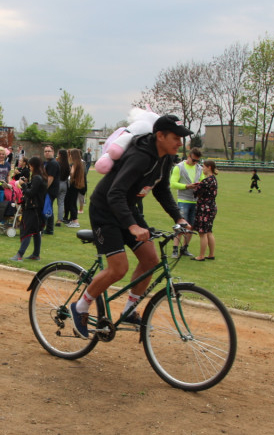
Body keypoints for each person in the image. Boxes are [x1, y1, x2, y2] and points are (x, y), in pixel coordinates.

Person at [69, 115, 192, 337]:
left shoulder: (165, 158)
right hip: (105, 209)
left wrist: (179, 218)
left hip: (128, 208)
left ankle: (130, 310)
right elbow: (115, 193)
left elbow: (161, 189)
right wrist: (132, 227)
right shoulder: (140, 156)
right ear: (160, 136)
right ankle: (80, 307)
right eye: (176, 138)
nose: (180, 143)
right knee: (119, 268)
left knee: (150, 260)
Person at [169, 147, 205, 257]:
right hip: (183, 200)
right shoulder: (179, 168)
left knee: (191, 227)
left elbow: (203, 181)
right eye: (193, 160)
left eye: (197, 161)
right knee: (181, 226)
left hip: (195, 201)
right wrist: (187, 186)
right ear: (189, 156)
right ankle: (175, 249)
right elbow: (173, 183)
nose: (195, 163)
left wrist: (200, 186)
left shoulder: (199, 168)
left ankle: (184, 248)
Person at [9, 156, 47, 261]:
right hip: (38, 208)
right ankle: (36, 254)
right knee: (36, 231)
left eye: (30, 165)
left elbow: (31, 193)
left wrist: (23, 185)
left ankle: (19, 255)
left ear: (33, 165)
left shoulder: (37, 177)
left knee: (27, 231)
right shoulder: (42, 176)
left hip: (33, 208)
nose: (29, 168)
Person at [190, 160, 219, 261]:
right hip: (212, 206)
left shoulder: (206, 181)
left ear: (209, 167)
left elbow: (196, 192)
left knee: (202, 233)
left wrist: (195, 186)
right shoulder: (214, 179)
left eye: (204, 167)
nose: (202, 168)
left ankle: (201, 255)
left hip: (204, 208)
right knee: (209, 231)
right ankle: (211, 254)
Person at [64, 149, 85, 227]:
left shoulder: (75, 164)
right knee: (72, 203)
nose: (70, 156)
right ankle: (73, 220)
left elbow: (72, 173)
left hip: (73, 185)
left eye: (71, 155)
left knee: (72, 203)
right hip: (75, 185)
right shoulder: (78, 164)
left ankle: (75, 221)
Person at [41, 144, 60, 234]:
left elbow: (50, 178)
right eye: (45, 151)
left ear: (53, 152)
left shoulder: (53, 163)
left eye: (49, 151)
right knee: (48, 208)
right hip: (50, 190)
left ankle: (49, 229)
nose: (47, 153)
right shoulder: (48, 162)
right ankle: (49, 228)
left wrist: (44, 189)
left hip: (50, 190)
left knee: (48, 209)